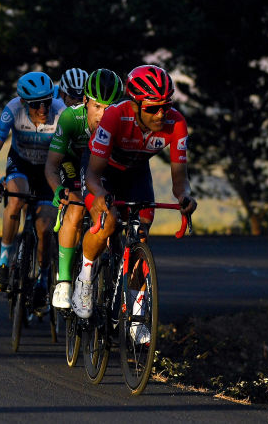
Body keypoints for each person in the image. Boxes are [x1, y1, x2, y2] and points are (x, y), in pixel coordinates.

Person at [71, 64, 197, 328]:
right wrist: (101, 197)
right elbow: (93, 176)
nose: (161, 114)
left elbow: (180, 180)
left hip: (136, 172)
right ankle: (84, 277)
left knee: (140, 237)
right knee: (107, 221)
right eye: (152, 108)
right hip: (101, 169)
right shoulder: (116, 116)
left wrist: (185, 197)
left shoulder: (176, 124)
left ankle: (137, 317)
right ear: (135, 104)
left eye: (166, 105)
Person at [0, 71, 65, 313]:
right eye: (35, 104)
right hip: (20, 164)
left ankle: (42, 279)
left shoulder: (61, 112)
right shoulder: (12, 110)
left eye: (46, 102)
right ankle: (4, 263)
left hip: (50, 170)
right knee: (15, 200)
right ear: (23, 102)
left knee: (44, 227)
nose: (42, 109)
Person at [45, 68, 125, 310]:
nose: (103, 115)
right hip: (71, 162)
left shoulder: (120, 122)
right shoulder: (71, 118)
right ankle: (65, 282)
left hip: (101, 165)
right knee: (77, 206)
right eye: (98, 107)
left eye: (109, 109)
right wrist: (58, 189)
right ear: (86, 101)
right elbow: (51, 164)